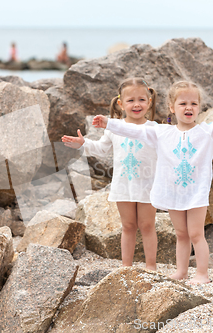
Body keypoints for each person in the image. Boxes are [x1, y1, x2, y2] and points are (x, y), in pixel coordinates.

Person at [92, 81, 213, 284]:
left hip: (196, 193)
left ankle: (202, 274)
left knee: (196, 234)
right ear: (172, 108)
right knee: (181, 234)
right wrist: (108, 123)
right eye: (183, 103)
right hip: (173, 193)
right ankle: (181, 272)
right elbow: (133, 131)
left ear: (199, 107)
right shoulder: (162, 133)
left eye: (193, 103)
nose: (189, 107)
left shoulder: (208, 132)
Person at [62, 78, 159, 271]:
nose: (136, 104)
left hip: (148, 185)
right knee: (128, 226)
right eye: (131, 100)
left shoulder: (155, 128)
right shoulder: (113, 128)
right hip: (123, 185)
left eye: (141, 99)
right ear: (121, 104)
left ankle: (151, 266)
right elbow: (101, 149)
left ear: (149, 102)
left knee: (147, 225)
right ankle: (126, 267)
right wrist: (84, 143)